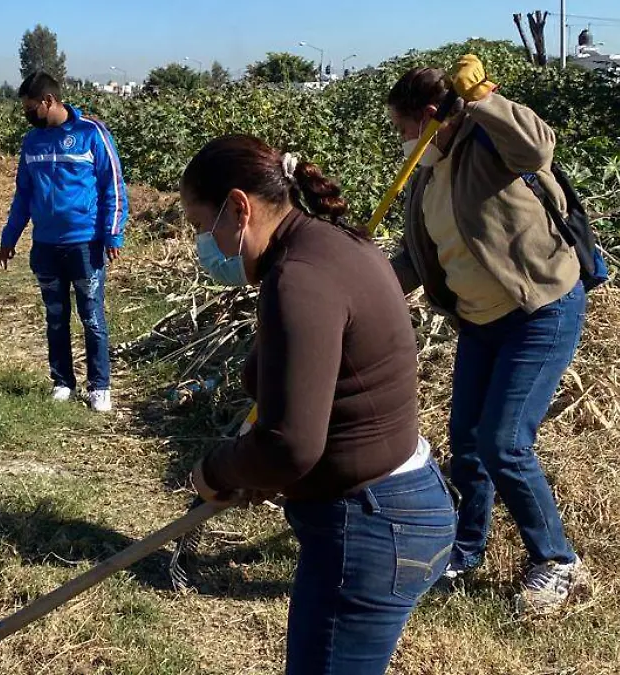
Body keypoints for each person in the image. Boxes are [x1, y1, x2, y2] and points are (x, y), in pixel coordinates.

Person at [185, 134, 454, 674]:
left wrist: (214, 470)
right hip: (400, 503)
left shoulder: (298, 280)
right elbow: (318, 406)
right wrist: (261, 470)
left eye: (201, 227)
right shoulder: (331, 246)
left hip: (373, 523)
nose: (202, 245)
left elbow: (289, 445)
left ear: (239, 208)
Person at [387, 56, 590, 616]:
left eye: (405, 128)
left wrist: (482, 97)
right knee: (469, 441)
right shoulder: (427, 172)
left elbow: (539, 147)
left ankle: (557, 562)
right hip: (479, 321)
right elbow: (418, 256)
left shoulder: (489, 141)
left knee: (504, 441)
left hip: (540, 311)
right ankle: (465, 550)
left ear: (431, 115)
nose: (403, 141)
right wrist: (370, 287)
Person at [0, 72, 128, 413]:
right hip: (45, 245)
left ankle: (99, 386)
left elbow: (113, 186)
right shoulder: (32, 142)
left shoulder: (91, 134)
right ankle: (62, 381)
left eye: (30, 107)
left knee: (92, 316)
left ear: (48, 101)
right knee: (55, 315)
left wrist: (113, 232)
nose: (27, 114)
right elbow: (23, 195)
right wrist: (9, 237)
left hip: (84, 243)